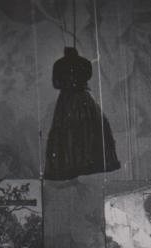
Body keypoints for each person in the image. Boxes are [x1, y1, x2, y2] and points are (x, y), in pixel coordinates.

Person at [44, 46, 120, 180]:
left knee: (77, 130)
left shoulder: (62, 64)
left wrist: (67, 82)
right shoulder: (82, 63)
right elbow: (59, 83)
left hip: (69, 99)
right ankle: (81, 163)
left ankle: (79, 163)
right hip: (78, 98)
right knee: (78, 130)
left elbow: (57, 83)